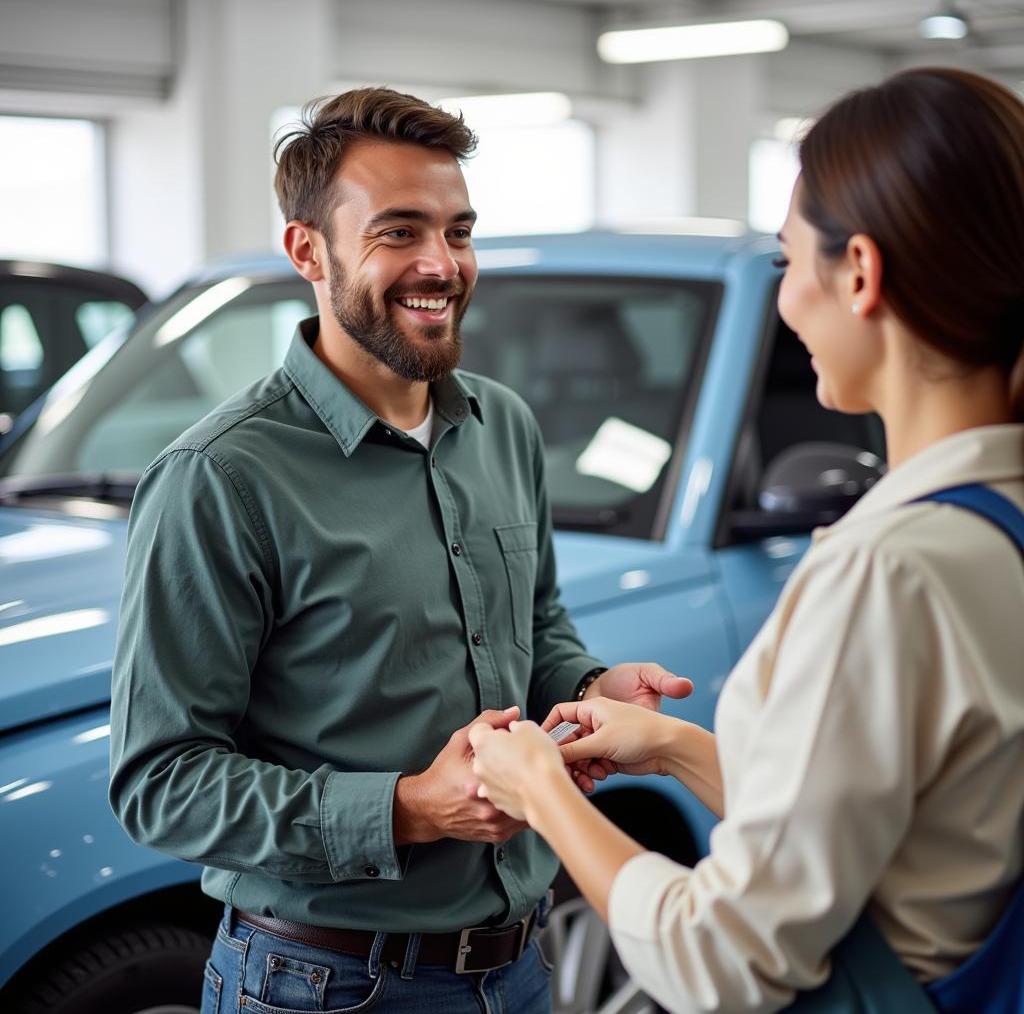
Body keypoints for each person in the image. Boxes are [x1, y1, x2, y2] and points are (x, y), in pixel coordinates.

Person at [107, 86, 691, 1014]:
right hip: (321, 985)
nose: (442, 264)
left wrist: (588, 688)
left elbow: (536, 627)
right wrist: (411, 806)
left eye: (459, 232)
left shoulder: (505, 426)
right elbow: (161, 783)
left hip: (520, 968)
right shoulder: (220, 477)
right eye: (398, 233)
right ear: (308, 249)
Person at [469, 66, 1024, 1014]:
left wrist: (540, 795)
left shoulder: (887, 572)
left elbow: (723, 955)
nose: (786, 301)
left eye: (786, 263)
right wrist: (679, 747)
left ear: (859, 273)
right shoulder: (993, 523)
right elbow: (883, 834)